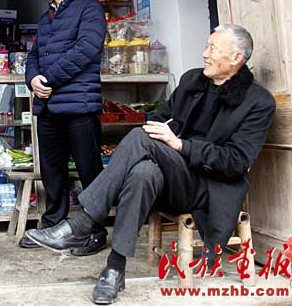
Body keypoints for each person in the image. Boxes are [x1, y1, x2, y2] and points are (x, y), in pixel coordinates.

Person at [26, 24, 276, 304]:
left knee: (139, 137)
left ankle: (85, 222)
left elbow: (237, 162)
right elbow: (159, 121)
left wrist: (180, 145)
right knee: (143, 171)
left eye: (213, 49)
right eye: (207, 46)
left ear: (236, 57)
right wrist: (164, 142)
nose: (205, 54)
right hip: (171, 180)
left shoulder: (258, 102)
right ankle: (114, 269)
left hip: (207, 188)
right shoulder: (192, 81)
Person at [23, 0, 108, 254]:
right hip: (48, 107)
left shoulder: (90, 9)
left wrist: (48, 79)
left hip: (79, 105)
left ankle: (95, 232)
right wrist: (32, 79)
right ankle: (52, 226)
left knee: (89, 171)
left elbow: (86, 50)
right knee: (52, 172)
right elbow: (33, 56)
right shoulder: (45, 18)